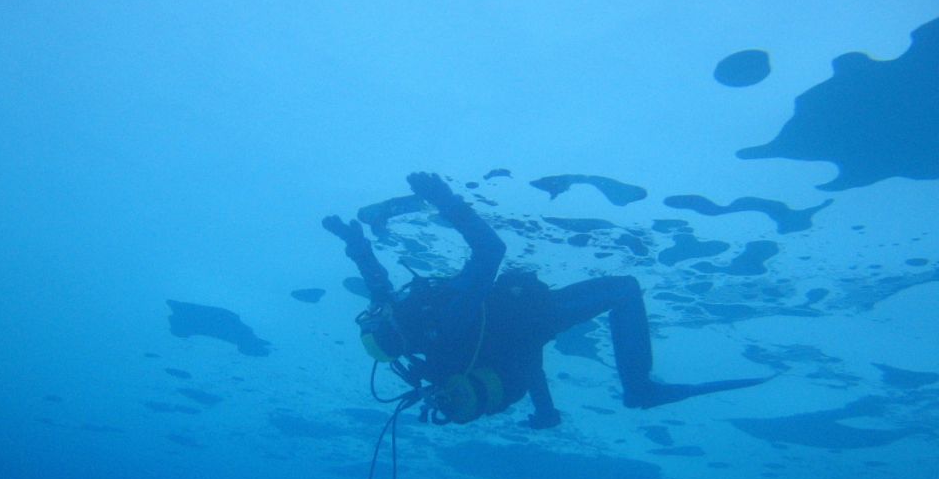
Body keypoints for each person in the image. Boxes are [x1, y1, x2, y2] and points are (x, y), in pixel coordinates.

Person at [324, 172, 767, 429]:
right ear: (393, 331)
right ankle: (639, 388)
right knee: (623, 290)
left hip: (516, 340)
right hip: (538, 316)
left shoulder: (407, 321)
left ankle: (549, 413)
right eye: (377, 320)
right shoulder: (446, 319)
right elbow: (490, 251)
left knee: (524, 350)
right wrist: (446, 201)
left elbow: (376, 282)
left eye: (373, 318)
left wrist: (354, 243)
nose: (377, 312)